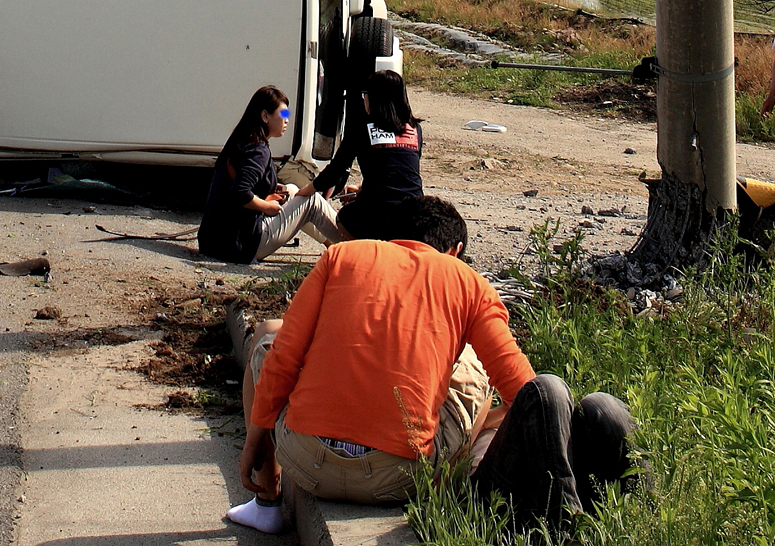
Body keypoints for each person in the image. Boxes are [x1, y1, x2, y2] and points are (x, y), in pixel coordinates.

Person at [227, 196, 636, 534]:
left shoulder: (341, 257)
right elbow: (522, 388)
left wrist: (254, 443)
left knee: (268, 343)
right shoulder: (468, 282)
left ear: (394, 236)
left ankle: (267, 503)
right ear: (455, 251)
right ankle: (465, 461)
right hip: (399, 477)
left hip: (305, 459)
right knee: (473, 369)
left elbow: (284, 359)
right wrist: (483, 421)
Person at [199, 85, 344, 264]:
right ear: (265, 116)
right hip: (240, 246)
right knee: (311, 200)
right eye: (283, 114)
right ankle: (353, 245)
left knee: (293, 190)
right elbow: (239, 192)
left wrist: (271, 188)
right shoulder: (258, 151)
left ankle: (333, 245)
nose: (287, 120)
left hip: (213, 242)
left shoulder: (243, 140)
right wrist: (267, 207)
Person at [296, 70, 422, 240]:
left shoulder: (361, 128)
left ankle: (364, 249)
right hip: (414, 212)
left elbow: (335, 171)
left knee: (343, 218)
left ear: (374, 98)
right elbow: (399, 172)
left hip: (379, 214)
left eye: (366, 94)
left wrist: (306, 190)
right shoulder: (414, 129)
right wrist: (362, 190)